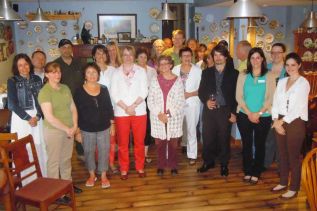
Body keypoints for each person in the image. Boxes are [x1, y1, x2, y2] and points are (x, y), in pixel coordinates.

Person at [38, 62, 79, 204]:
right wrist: (67, 129)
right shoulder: (45, 92)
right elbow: (49, 117)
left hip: (69, 129)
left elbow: (73, 108)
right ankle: (55, 194)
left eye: (59, 72)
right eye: (53, 72)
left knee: (66, 160)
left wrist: (74, 125)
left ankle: (67, 187)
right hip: (54, 131)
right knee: (54, 162)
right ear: (47, 74)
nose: (57, 74)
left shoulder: (65, 88)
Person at [271, 53, 310, 199]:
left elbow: (298, 107)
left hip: (295, 122)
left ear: (299, 65)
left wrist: (281, 122)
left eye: (293, 65)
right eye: (287, 65)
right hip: (280, 120)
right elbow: (275, 102)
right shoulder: (282, 81)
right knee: (282, 155)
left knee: (293, 156)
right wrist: (275, 120)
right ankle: (282, 182)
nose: (290, 68)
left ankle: (294, 187)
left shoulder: (303, 83)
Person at [236, 47, 276, 184]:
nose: (255, 60)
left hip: (263, 116)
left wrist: (258, 113)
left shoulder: (270, 75)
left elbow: (271, 98)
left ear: (263, 59)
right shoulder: (243, 75)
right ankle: (247, 170)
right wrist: (249, 113)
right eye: (252, 58)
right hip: (244, 115)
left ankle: (256, 171)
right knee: (246, 144)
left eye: (258, 57)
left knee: (260, 144)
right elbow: (238, 97)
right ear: (249, 60)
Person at [197, 44, 238, 176]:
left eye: (221, 55)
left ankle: (224, 164)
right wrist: (206, 101)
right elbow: (201, 91)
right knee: (207, 138)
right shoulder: (206, 72)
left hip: (225, 110)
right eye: (215, 55)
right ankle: (208, 161)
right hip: (209, 110)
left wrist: (233, 112)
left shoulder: (234, 73)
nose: (218, 57)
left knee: (224, 138)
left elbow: (237, 95)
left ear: (226, 57)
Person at [74, 63, 115, 189]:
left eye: (94, 72)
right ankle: (92, 175)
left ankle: (103, 175)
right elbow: (75, 112)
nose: (92, 75)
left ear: (98, 74)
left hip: (104, 127)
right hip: (86, 129)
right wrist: (77, 131)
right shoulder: (79, 91)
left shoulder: (103, 89)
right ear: (84, 75)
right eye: (88, 72)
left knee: (104, 151)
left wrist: (112, 124)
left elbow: (109, 107)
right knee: (89, 152)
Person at [110, 46, 148, 180]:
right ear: (121, 56)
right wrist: (126, 108)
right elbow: (113, 93)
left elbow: (144, 91)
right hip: (121, 112)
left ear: (134, 56)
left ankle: (140, 167)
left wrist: (133, 106)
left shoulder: (141, 71)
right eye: (125, 55)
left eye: (130, 54)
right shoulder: (115, 72)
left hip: (139, 111)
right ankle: (124, 168)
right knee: (123, 143)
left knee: (139, 142)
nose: (128, 57)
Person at [7, 53, 47, 179]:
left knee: (39, 146)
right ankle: (25, 181)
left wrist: (38, 116)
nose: (23, 68)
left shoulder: (37, 79)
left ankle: (42, 178)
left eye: (25, 64)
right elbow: (12, 105)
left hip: (37, 117)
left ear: (29, 65)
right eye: (20, 65)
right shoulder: (12, 81)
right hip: (21, 119)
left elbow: (41, 100)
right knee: (23, 149)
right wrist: (28, 118)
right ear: (16, 67)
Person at [147, 55, 185, 176]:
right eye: (161, 64)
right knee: (160, 143)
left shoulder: (178, 80)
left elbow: (180, 101)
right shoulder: (154, 80)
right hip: (157, 117)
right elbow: (150, 99)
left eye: (166, 63)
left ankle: (173, 165)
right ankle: (161, 165)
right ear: (158, 66)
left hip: (173, 117)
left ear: (170, 65)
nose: (163, 66)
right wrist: (159, 114)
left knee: (173, 143)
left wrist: (167, 114)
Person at [54, 39, 85, 175]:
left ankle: (81, 151)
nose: (66, 49)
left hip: (80, 101)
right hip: (63, 104)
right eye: (64, 47)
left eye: (68, 47)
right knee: (66, 128)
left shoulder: (79, 62)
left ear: (71, 49)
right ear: (60, 49)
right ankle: (64, 157)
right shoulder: (56, 65)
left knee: (80, 127)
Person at [172, 47, 202, 165]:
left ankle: (192, 155)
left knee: (191, 129)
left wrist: (190, 94)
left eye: (189, 56)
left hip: (192, 103)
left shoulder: (198, 70)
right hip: (177, 104)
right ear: (180, 58)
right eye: (184, 56)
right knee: (174, 129)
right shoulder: (175, 69)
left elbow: (202, 89)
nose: (187, 58)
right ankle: (172, 154)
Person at [92, 44, 118, 174]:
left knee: (111, 138)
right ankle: (100, 163)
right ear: (94, 56)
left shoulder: (113, 70)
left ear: (106, 55)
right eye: (98, 53)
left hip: (112, 109)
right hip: (96, 110)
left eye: (103, 53)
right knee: (98, 139)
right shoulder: (91, 71)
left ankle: (111, 162)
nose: (100, 56)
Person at [264, 42, 287, 169]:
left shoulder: (288, 68)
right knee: (268, 138)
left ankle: (281, 166)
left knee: (281, 139)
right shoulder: (266, 67)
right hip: (268, 108)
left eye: (279, 52)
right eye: (273, 52)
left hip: (283, 110)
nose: (276, 55)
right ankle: (266, 163)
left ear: (283, 53)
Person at [136, 47, 157, 163]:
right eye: (141, 57)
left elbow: (155, 86)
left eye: (145, 57)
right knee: (138, 128)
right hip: (137, 102)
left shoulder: (152, 70)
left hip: (149, 101)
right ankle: (137, 154)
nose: (143, 59)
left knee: (147, 128)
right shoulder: (133, 70)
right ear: (136, 58)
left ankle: (145, 154)